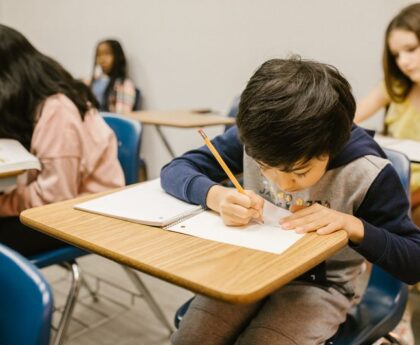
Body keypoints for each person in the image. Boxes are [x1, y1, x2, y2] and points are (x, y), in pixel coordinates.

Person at [161, 57, 420, 345]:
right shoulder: (259, 140)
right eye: (262, 167)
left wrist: (353, 226)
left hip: (321, 286)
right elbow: (175, 170)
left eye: (299, 172)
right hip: (252, 266)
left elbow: (414, 260)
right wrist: (216, 196)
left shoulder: (367, 172)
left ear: (331, 148)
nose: (280, 183)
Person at [0, 24, 125, 256]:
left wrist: (3, 204)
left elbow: (53, 197)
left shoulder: (57, 110)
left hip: (84, 214)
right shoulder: (37, 105)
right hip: (64, 202)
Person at [354, 3, 420, 228]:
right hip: (395, 183)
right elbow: (349, 117)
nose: (403, 62)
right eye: (396, 55)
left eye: (411, 49)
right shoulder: (395, 87)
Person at [89, 39, 137, 114]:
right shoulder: (93, 82)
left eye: (107, 54)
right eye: (98, 55)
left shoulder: (124, 85)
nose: (102, 59)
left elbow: (121, 116)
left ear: (118, 57)